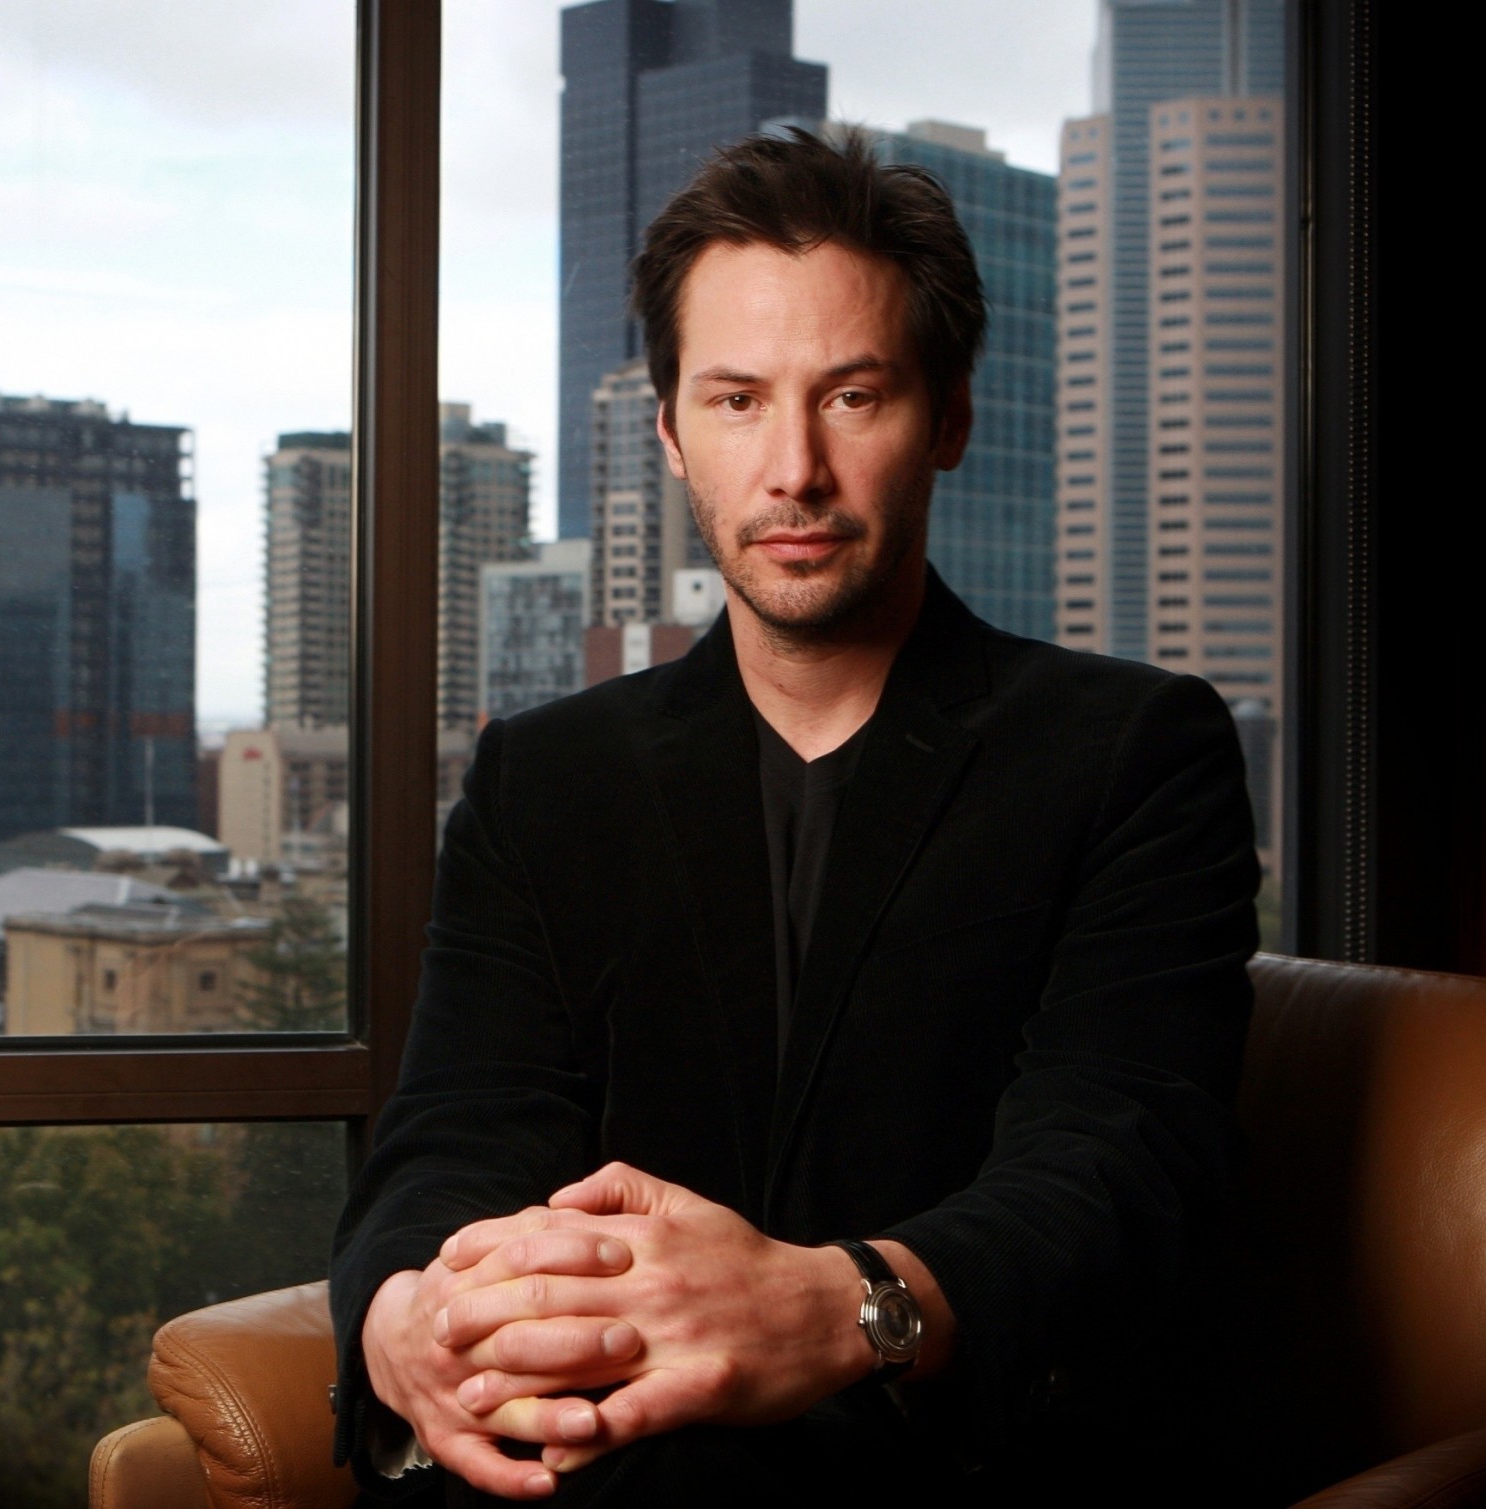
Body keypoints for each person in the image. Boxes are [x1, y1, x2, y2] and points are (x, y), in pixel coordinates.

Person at [330, 127, 1260, 1506]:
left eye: (853, 396)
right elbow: (456, 1130)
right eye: (737, 400)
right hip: (593, 1468)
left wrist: (835, 1307)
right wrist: (403, 1314)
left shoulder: (1133, 751)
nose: (795, 470)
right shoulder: (541, 777)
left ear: (948, 419)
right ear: (669, 432)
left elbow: (1112, 1164)